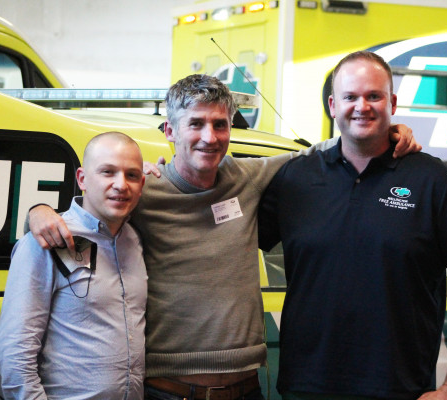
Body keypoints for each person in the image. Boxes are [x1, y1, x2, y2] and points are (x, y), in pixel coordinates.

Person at [27, 74, 420, 400]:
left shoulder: (249, 177)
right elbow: (87, 213)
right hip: (169, 391)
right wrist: (38, 212)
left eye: (220, 124)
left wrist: (389, 131)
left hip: (246, 389)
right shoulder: (144, 190)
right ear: (170, 131)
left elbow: (326, 150)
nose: (209, 137)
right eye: (195, 124)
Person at [258, 51, 447, 400]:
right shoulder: (295, 179)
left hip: (400, 390)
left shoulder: (432, 180)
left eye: (374, 96)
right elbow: (231, 238)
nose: (362, 106)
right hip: (305, 388)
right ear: (332, 105)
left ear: (393, 103)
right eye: (350, 97)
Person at [0, 131, 147, 399]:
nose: (121, 184)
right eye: (108, 172)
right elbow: (16, 354)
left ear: (142, 183)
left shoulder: (134, 240)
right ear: (82, 179)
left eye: (131, 175)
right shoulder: (46, 239)